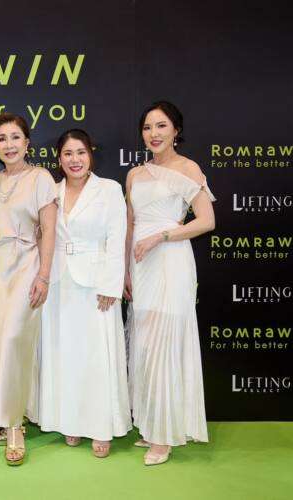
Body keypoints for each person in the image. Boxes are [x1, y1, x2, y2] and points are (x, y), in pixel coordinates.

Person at [29, 129, 131, 459]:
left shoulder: (109, 189)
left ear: (91, 154)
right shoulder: (51, 191)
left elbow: (117, 239)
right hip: (58, 282)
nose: (75, 160)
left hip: (96, 284)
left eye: (81, 152)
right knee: (64, 354)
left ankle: (101, 427)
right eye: (68, 154)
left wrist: (111, 285)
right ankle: (69, 422)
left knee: (97, 356)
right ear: (59, 159)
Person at [125, 101, 215, 466]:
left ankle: (164, 437)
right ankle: (150, 423)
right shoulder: (135, 174)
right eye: (148, 127)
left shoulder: (188, 168)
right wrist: (124, 270)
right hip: (140, 264)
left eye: (161, 126)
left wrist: (162, 236)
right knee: (145, 344)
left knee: (165, 342)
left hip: (171, 261)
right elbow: (130, 224)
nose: (154, 134)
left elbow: (206, 220)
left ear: (176, 130)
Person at [0, 113, 57, 466]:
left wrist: (44, 275)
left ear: (27, 142)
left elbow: (49, 231)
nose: (8, 145)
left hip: (26, 265)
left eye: (14, 137)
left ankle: (14, 426)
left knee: (13, 339)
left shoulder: (41, 178)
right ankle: (1, 413)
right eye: (1, 138)